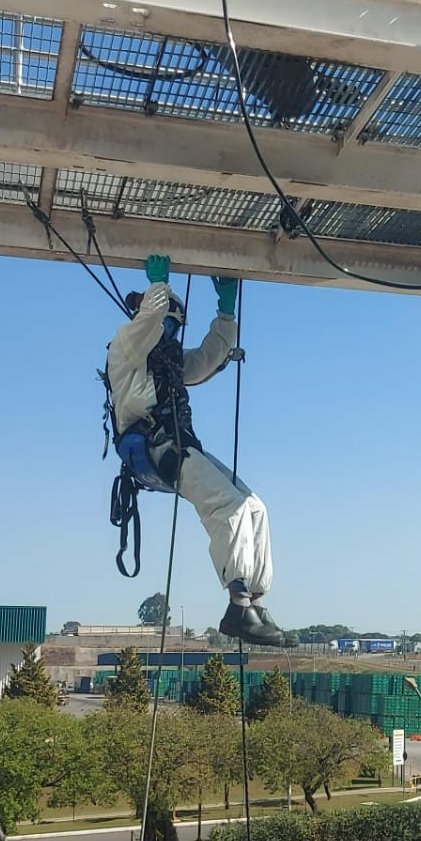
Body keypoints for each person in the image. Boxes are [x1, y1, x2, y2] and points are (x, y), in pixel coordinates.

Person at [107, 256, 296, 649]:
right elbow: (147, 323)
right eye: (168, 324)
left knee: (255, 506)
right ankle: (238, 604)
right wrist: (159, 287)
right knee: (228, 506)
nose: (169, 332)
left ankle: (255, 604)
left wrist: (225, 312)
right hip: (159, 447)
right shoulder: (126, 350)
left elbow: (211, 356)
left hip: (177, 447)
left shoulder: (167, 363)